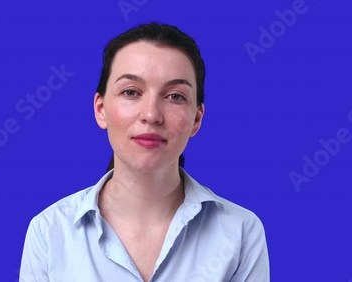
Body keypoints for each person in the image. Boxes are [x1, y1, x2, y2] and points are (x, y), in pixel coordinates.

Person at [20, 22, 269, 282]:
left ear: (196, 119)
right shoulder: (49, 232)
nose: (151, 115)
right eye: (131, 92)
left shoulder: (240, 232)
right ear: (100, 109)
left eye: (175, 96)